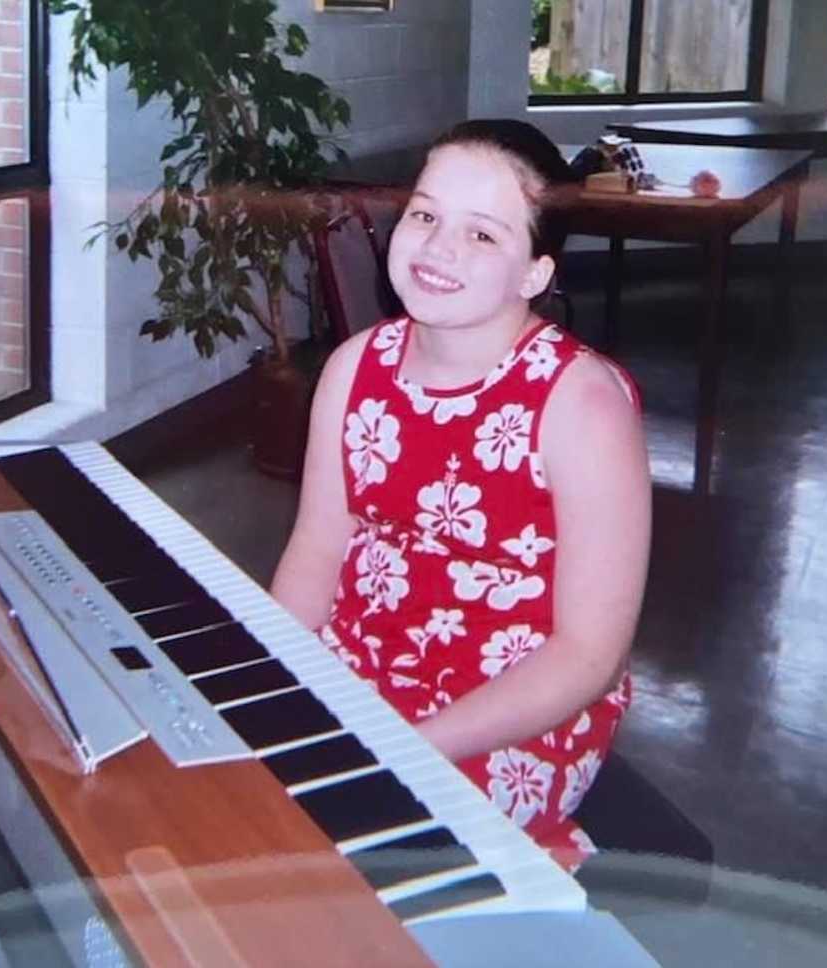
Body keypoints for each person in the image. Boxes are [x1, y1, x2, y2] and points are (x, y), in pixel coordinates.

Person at [271, 119, 652, 870]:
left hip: (514, 704)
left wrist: (404, 747)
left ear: (535, 274)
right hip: (360, 663)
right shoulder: (355, 367)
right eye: (425, 214)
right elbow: (317, 553)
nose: (439, 248)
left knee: (344, 861)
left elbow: (588, 655)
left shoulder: (582, 406)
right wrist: (269, 677)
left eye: (483, 235)